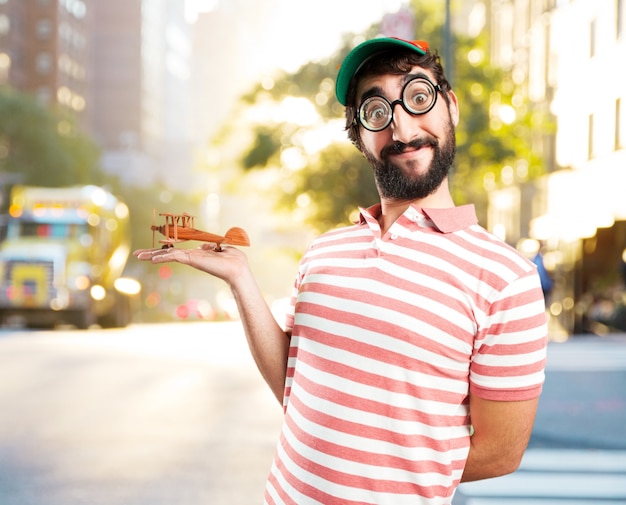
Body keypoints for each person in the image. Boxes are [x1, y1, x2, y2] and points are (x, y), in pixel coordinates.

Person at [135, 37, 548, 505]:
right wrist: (241, 279)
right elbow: (295, 390)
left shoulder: (506, 278)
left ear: (449, 106)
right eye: (377, 111)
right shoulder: (324, 252)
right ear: (359, 135)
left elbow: (500, 454)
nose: (403, 127)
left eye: (417, 98)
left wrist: (389, 476)